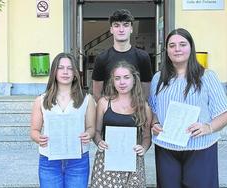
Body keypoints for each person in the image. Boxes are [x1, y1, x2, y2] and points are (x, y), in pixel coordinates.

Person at [149, 28, 227, 188]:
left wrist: (208, 127)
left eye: (182, 44)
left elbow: (226, 113)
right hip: (167, 148)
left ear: (191, 48)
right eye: (172, 45)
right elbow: (154, 110)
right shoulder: (158, 78)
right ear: (166, 50)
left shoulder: (207, 76)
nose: (177, 49)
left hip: (200, 147)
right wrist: (155, 124)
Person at [30, 53, 96, 188]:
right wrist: (38, 138)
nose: (65, 72)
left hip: (78, 159)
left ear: (76, 73)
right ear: (54, 71)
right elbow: (34, 131)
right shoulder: (41, 100)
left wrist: (88, 134)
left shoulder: (87, 99)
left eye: (70, 68)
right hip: (49, 159)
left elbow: (91, 128)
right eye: (61, 68)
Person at [90, 61, 152, 188]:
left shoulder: (143, 106)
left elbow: (146, 137)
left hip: (133, 161)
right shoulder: (104, 103)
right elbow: (96, 132)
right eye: (117, 78)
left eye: (126, 77)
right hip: (106, 161)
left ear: (134, 80)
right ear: (112, 81)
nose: (122, 82)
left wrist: (143, 148)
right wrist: (99, 142)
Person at [92, 9, 153, 102]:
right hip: (109, 113)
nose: (121, 30)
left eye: (126, 25)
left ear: (131, 29)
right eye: (116, 25)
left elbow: (146, 92)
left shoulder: (143, 57)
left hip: (136, 111)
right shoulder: (101, 58)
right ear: (111, 30)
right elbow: (97, 94)